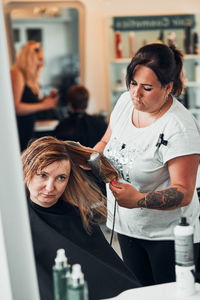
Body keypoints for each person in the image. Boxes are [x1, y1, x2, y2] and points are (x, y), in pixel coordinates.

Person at [94, 43, 200, 286]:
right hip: (127, 228)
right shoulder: (124, 103)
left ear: (168, 87)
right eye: (132, 83)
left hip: (168, 236)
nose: (136, 94)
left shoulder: (179, 128)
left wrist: (139, 200)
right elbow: (106, 140)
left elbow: (183, 192)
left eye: (147, 87)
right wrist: (92, 157)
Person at [22, 136, 140, 300]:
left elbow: (109, 273)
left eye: (61, 178)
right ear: (27, 171)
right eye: (42, 175)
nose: (50, 187)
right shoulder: (16, 222)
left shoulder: (79, 217)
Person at [10, 41, 58, 151]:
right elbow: (15, 107)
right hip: (19, 129)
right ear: (29, 58)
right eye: (39, 59)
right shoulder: (17, 74)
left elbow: (28, 102)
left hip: (28, 128)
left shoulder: (29, 78)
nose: (42, 64)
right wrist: (44, 105)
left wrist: (45, 100)